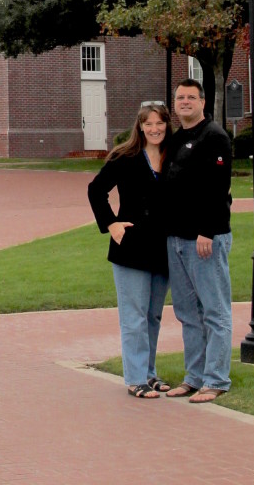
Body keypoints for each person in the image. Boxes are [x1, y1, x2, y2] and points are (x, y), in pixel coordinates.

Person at [88, 104, 172, 399]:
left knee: (153, 316)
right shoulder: (125, 157)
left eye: (159, 123)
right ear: (140, 126)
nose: (154, 129)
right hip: (131, 247)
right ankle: (135, 378)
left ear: (166, 125)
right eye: (149, 124)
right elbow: (96, 189)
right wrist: (111, 223)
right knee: (134, 317)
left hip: (162, 249)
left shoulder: (171, 157)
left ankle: (149, 374)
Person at [164, 78, 233, 403]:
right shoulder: (177, 138)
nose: (186, 102)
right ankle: (194, 377)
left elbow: (219, 188)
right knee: (188, 312)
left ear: (203, 102)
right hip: (177, 238)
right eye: (181, 97)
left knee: (215, 311)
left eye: (192, 97)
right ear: (175, 103)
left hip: (205, 239)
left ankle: (216, 379)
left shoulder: (214, 137)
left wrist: (207, 230)